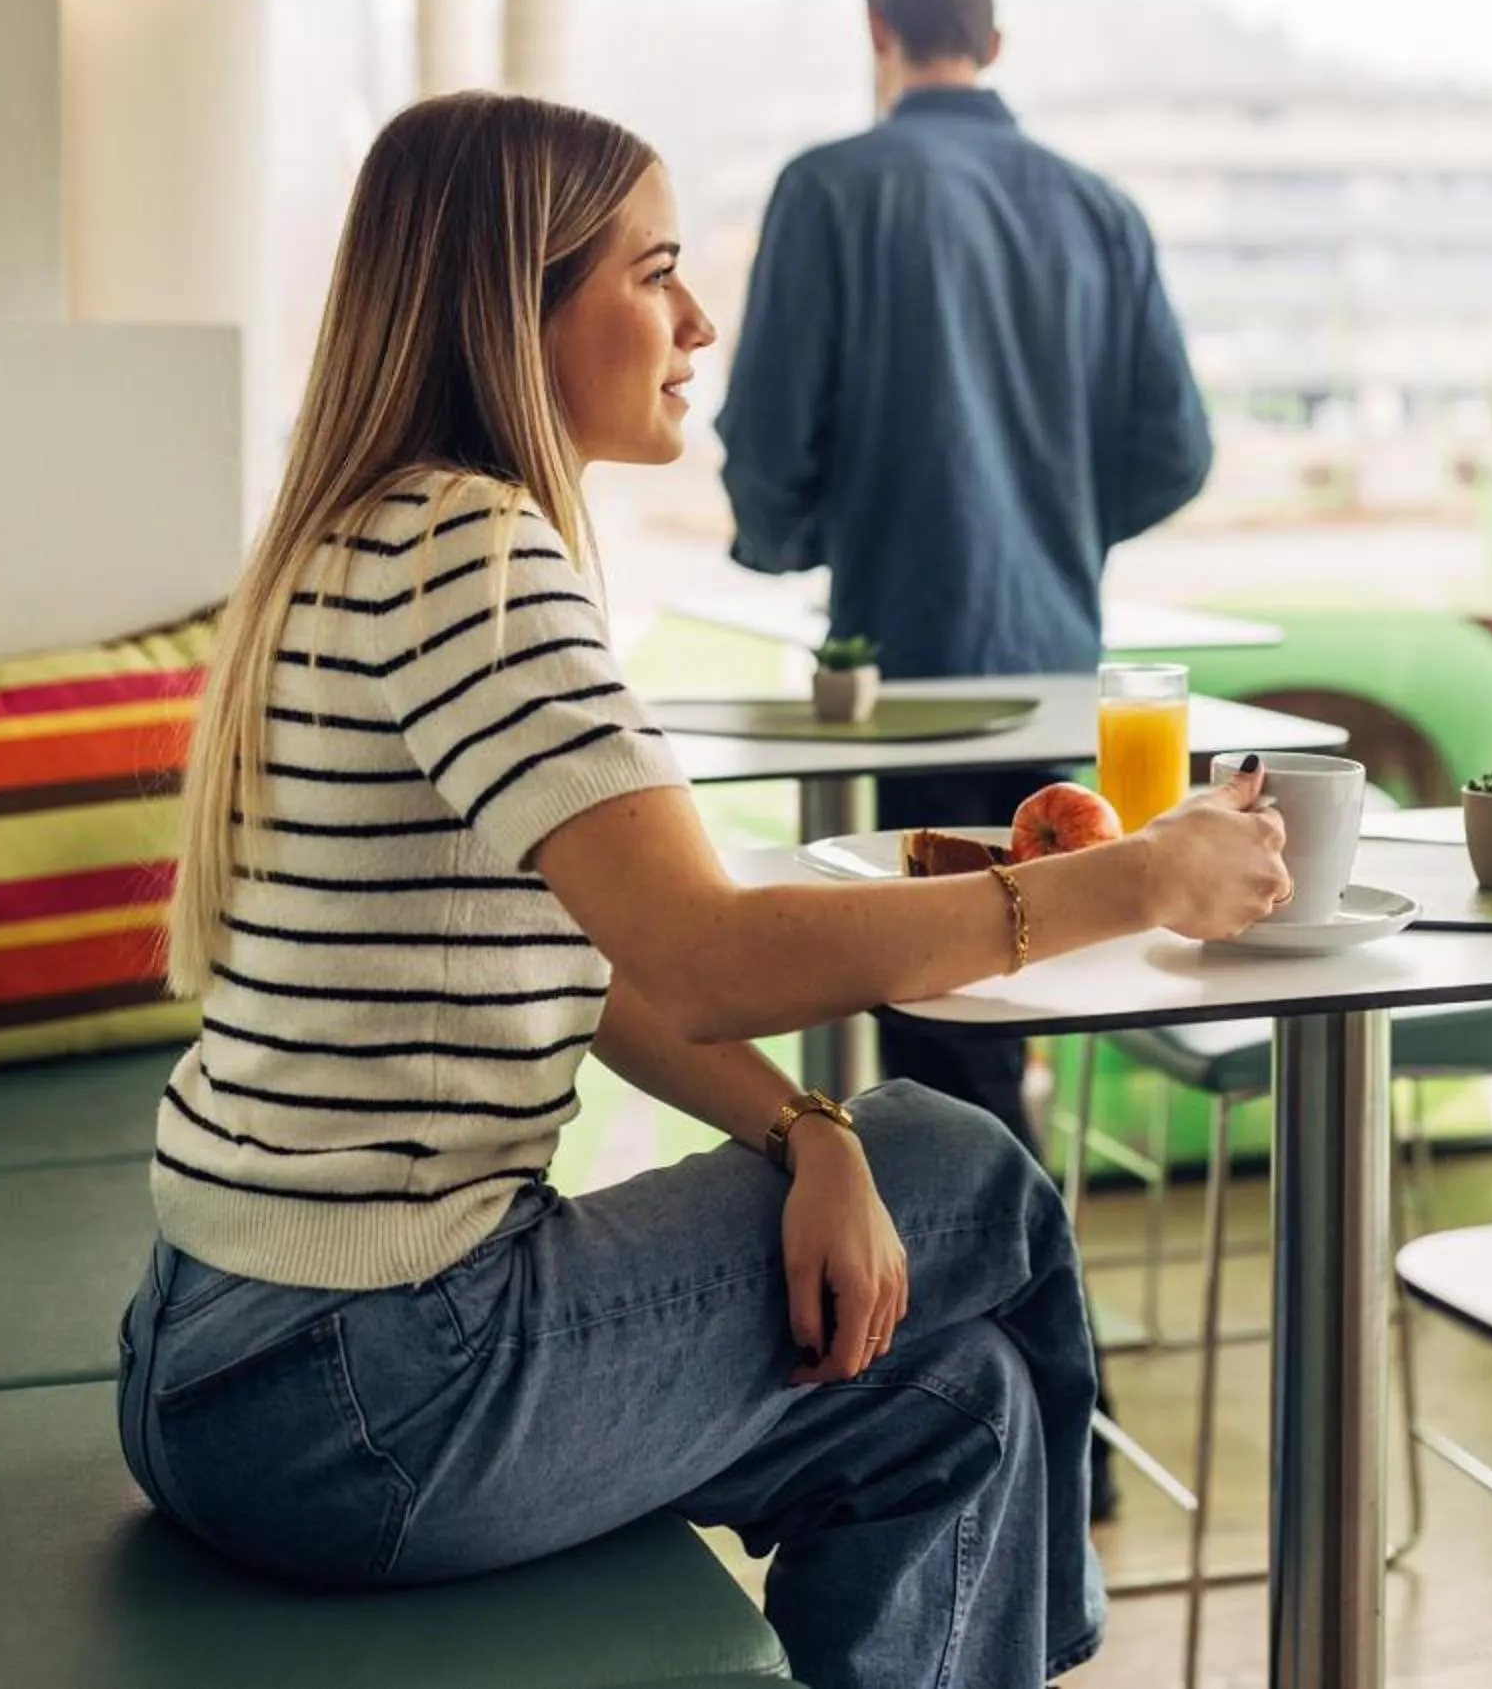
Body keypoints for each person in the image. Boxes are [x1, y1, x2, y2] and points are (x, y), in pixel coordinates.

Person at [116, 92, 1291, 1689]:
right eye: (654, 271)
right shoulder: (475, 555)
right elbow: (715, 957)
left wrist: (802, 1132)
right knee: (966, 1157)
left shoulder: (359, 537)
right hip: (368, 1388)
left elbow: (601, 967)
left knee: (961, 1414)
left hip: (216, 1363)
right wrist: (1137, 879)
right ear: (513, 303)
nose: (701, 319)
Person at [716, 0, 1214, 1156]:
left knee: (939, 1010)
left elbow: (768, 444)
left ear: (876, 31)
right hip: (1060, 667)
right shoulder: (1101, 210)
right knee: (1033, 984)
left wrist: (800, 535)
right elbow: (1179, 449)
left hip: (908, 668)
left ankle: (993, 1309)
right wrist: (1059, 524)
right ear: (994, 43)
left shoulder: (827, 190)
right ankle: (1015, 1289)